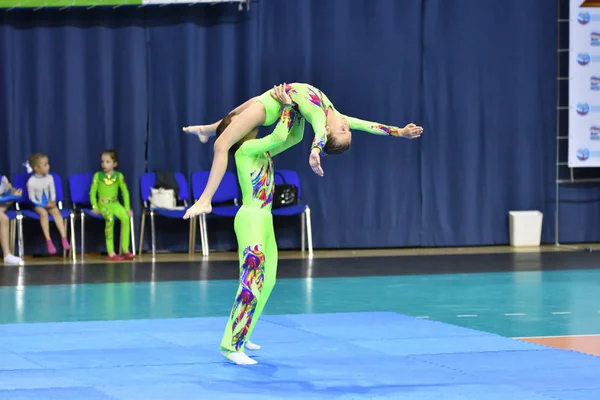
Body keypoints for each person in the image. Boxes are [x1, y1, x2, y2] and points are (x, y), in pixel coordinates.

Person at [184, 85, 303, 365]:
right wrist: (285, 107)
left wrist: (297, 110)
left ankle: (244, 330)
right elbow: (278, 134)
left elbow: (292, 137)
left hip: (266, 218)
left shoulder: (262, 152)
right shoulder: (245, 150)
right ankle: (230, 345)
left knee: (269, 280)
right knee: (251, 282)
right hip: (250, 218)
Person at [183, 82, 423, 218]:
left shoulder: (321, 118)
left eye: (343, 131)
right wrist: (399, 132)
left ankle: (205, 200)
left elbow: (318, 132)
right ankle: (207, 129)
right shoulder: (336, 115)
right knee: (237, 118)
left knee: (222, 145)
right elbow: (371, 126)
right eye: (348, 130)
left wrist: (316, 151)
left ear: (329, 132)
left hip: (273, 105)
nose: (347, 126)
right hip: (289, 110)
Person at [90, 150, 135, 261]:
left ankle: (125, 249)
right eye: (103, 162)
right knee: (110, 219)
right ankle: (111, 251)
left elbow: (125, 192)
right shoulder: (98, 176)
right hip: (103, 204)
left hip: (115, 203)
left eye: (108, 162)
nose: (104, 164)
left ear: (114, 164)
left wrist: (127, 208)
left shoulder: (119, 176)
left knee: (125, 218)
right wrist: (95, 207)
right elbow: (92, 192)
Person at [26, 153, 71, 255]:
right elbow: (32, 198)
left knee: (56, 211)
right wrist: (43, 205)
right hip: (37, 205)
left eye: (48, 164)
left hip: (48, 203)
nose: (48, 166)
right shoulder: (31, 181)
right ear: (37, 168)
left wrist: (52, 201)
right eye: (45, 165)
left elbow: (52, 191)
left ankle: (63, 237)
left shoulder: (50, 178)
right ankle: (48, 240)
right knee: (43, 214)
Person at [0, 175, 24, 265]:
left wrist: (12, 192)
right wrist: (12, 197)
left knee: (3, 218)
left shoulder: (2, 179)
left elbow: (7, 192)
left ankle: (7, 255)